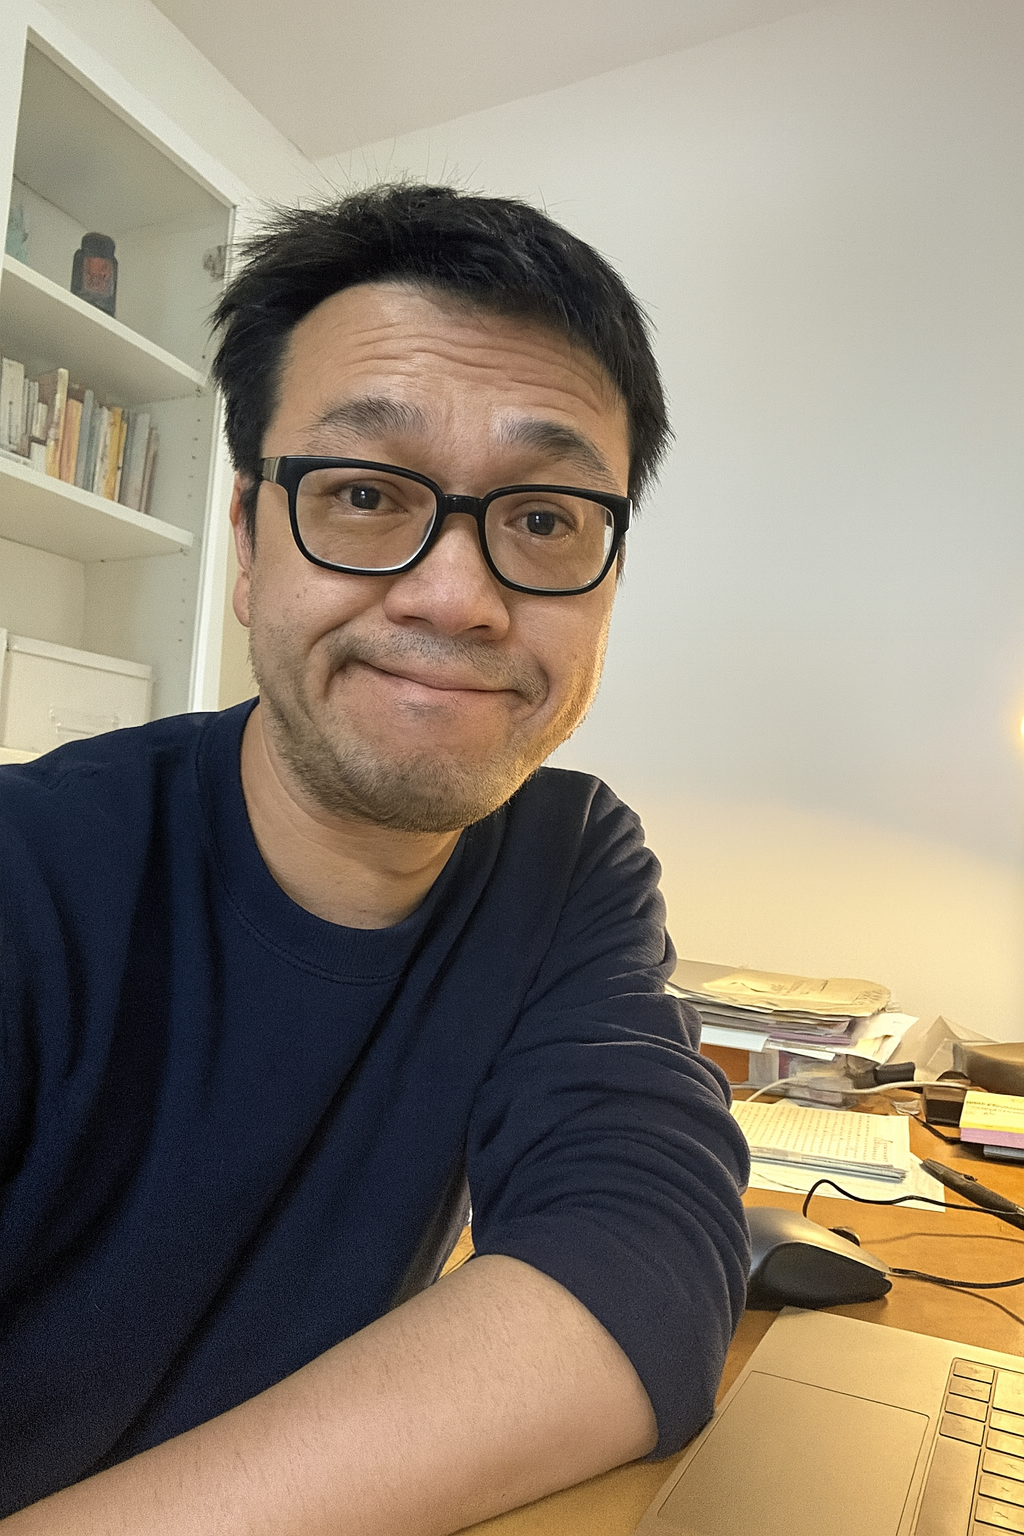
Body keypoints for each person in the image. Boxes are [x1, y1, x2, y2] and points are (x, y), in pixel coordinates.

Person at [0, 184, 749, 1534]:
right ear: (244, 543)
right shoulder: (27, 876)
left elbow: (647, 1258)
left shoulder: (565, 859)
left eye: (542, 521)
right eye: (360, 492)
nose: (456, 596)